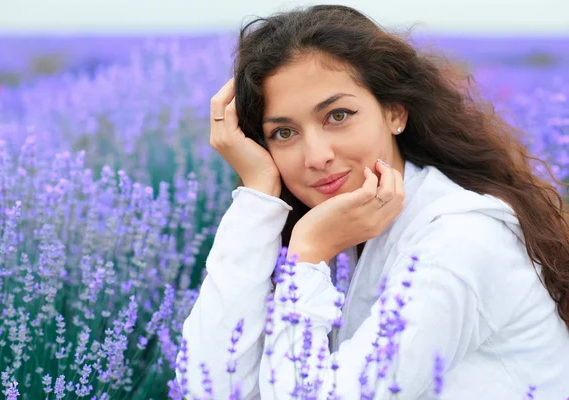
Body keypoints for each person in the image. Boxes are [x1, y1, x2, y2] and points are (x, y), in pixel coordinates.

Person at [176, 5, 569, 399]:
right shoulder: (341, 227)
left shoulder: (459, 242)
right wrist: (259, 196)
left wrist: (308, 256)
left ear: (394, 111)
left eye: (338, 115)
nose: (316, 155)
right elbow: (211, 388)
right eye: (283, 133)